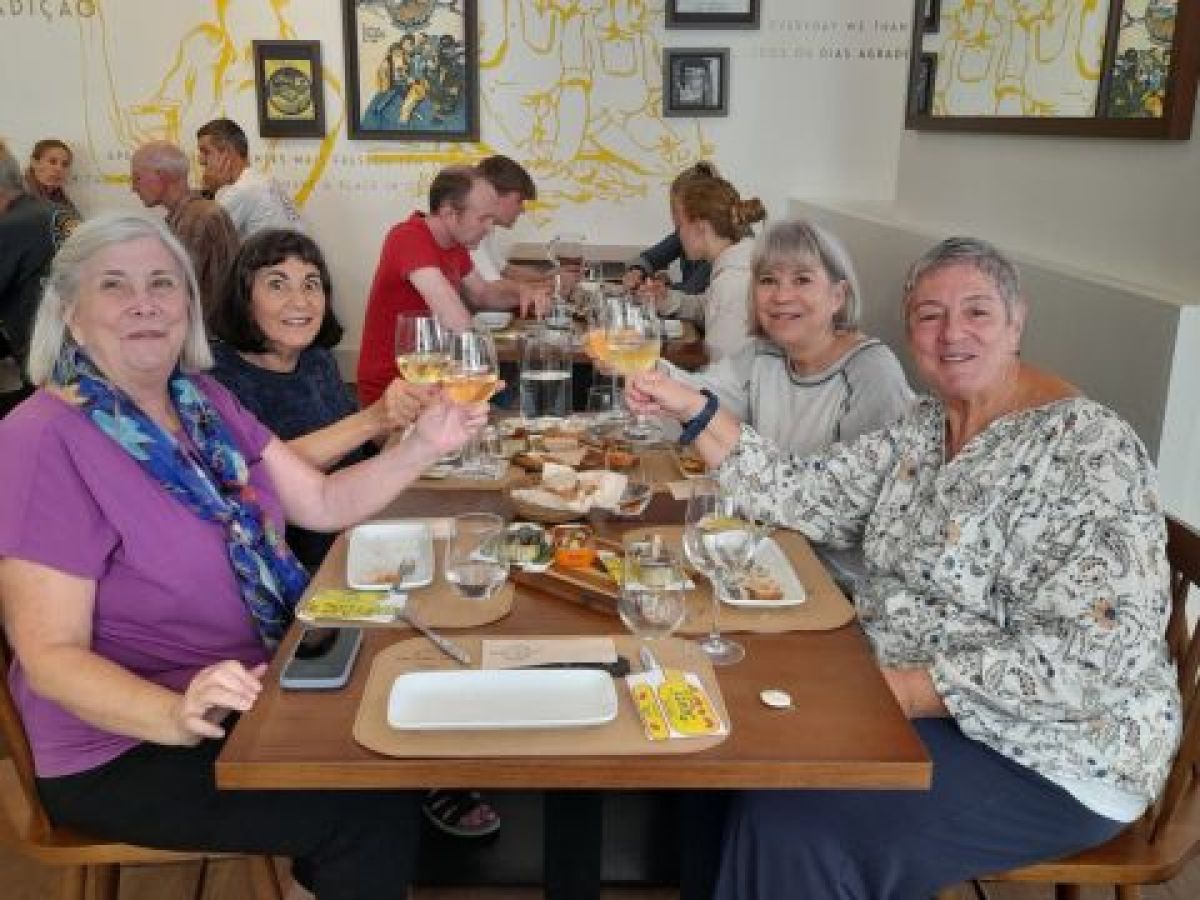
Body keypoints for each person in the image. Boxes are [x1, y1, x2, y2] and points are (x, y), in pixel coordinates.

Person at [627, 237, 1182, 898]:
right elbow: (807, 493)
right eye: (929, 315)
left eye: (976, 312)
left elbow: (1095, 658)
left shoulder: (1090, 449)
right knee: (724, 753)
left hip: (1052, 750)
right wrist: (692, 410)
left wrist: (905, 693)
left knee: (795, 822)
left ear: (1016, 321)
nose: (952, 334)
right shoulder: (923, 426)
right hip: (906, 692)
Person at [0, 211, 489, 899]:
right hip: (128, 742)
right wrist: (173, 713)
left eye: (162, 283)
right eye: (114, 285)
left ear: (188, 306)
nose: (144, 302)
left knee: (395, 728)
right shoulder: (42, 438)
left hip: (257, 684)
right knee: (367, 804)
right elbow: (49, 656)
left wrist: (425, 446)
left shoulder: (201, 400)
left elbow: (321, 501)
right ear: (70, 315)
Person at [208, 228, 424, 570]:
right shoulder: (216, 380)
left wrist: (411, 415)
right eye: (277, 284)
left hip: (357, 540)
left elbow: (358, 449)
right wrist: (373, 418)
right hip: (289, 566)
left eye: (311, 284)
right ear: (244, 299)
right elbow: (259, 475)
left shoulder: (317, 360)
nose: (301, 301)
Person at [356, 164, 550, 407]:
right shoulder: (408, 237)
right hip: (394, 390)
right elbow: (455, 321)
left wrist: (523, 292)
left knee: (528, 393)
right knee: (526, 394)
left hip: (437, 379)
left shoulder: (455, 244)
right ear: (449, 213)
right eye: (483, 218)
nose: (490, 227)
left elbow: (484, 294)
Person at [640, 175, 765, 363]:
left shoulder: (733, 283)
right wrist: (667, 299)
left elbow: (720, 374)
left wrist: (649, 366)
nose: (679, 235)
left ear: (700, 228)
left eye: (679, 226)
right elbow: (705, 306)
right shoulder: (734, 266)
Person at [1, 139, 78, 408]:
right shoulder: (62, 212)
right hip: (82, 338)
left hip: (44, 345)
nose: (57, 169)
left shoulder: (10, 226)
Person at [130, 140, 240, 323]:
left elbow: (177, 289)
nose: (133, 188)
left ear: (162, 176)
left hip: (205, 331)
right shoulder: (194, 214)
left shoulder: (196, 219)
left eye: (137, 178)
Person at [624, 161, 719, 300]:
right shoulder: (686, 233)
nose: (673, 220)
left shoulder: (722, 245)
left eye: (677, 214)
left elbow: (692, 291)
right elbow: (649, 258)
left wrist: (658, 287)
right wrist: (636, 271)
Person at [196, 118, 304, 239]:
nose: (200, 160)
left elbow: (202, 240)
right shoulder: (260, 180)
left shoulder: (242, 190)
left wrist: (213, 190)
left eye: (205, 152)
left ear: (227, 153)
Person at [472, 154, 546, 285]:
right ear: (495, 194)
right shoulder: (471, 232)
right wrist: (554, 284)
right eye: (519, 201)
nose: (522, 210)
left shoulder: (488, 228)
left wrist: (549, 276)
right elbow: (494, 288)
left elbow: (505, 270)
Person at [24, 138, 81, 219]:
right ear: (34, 163)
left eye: (65, 165)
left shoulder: (59, 196)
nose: (59, 169)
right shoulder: (20, 195)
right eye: (52, 162)